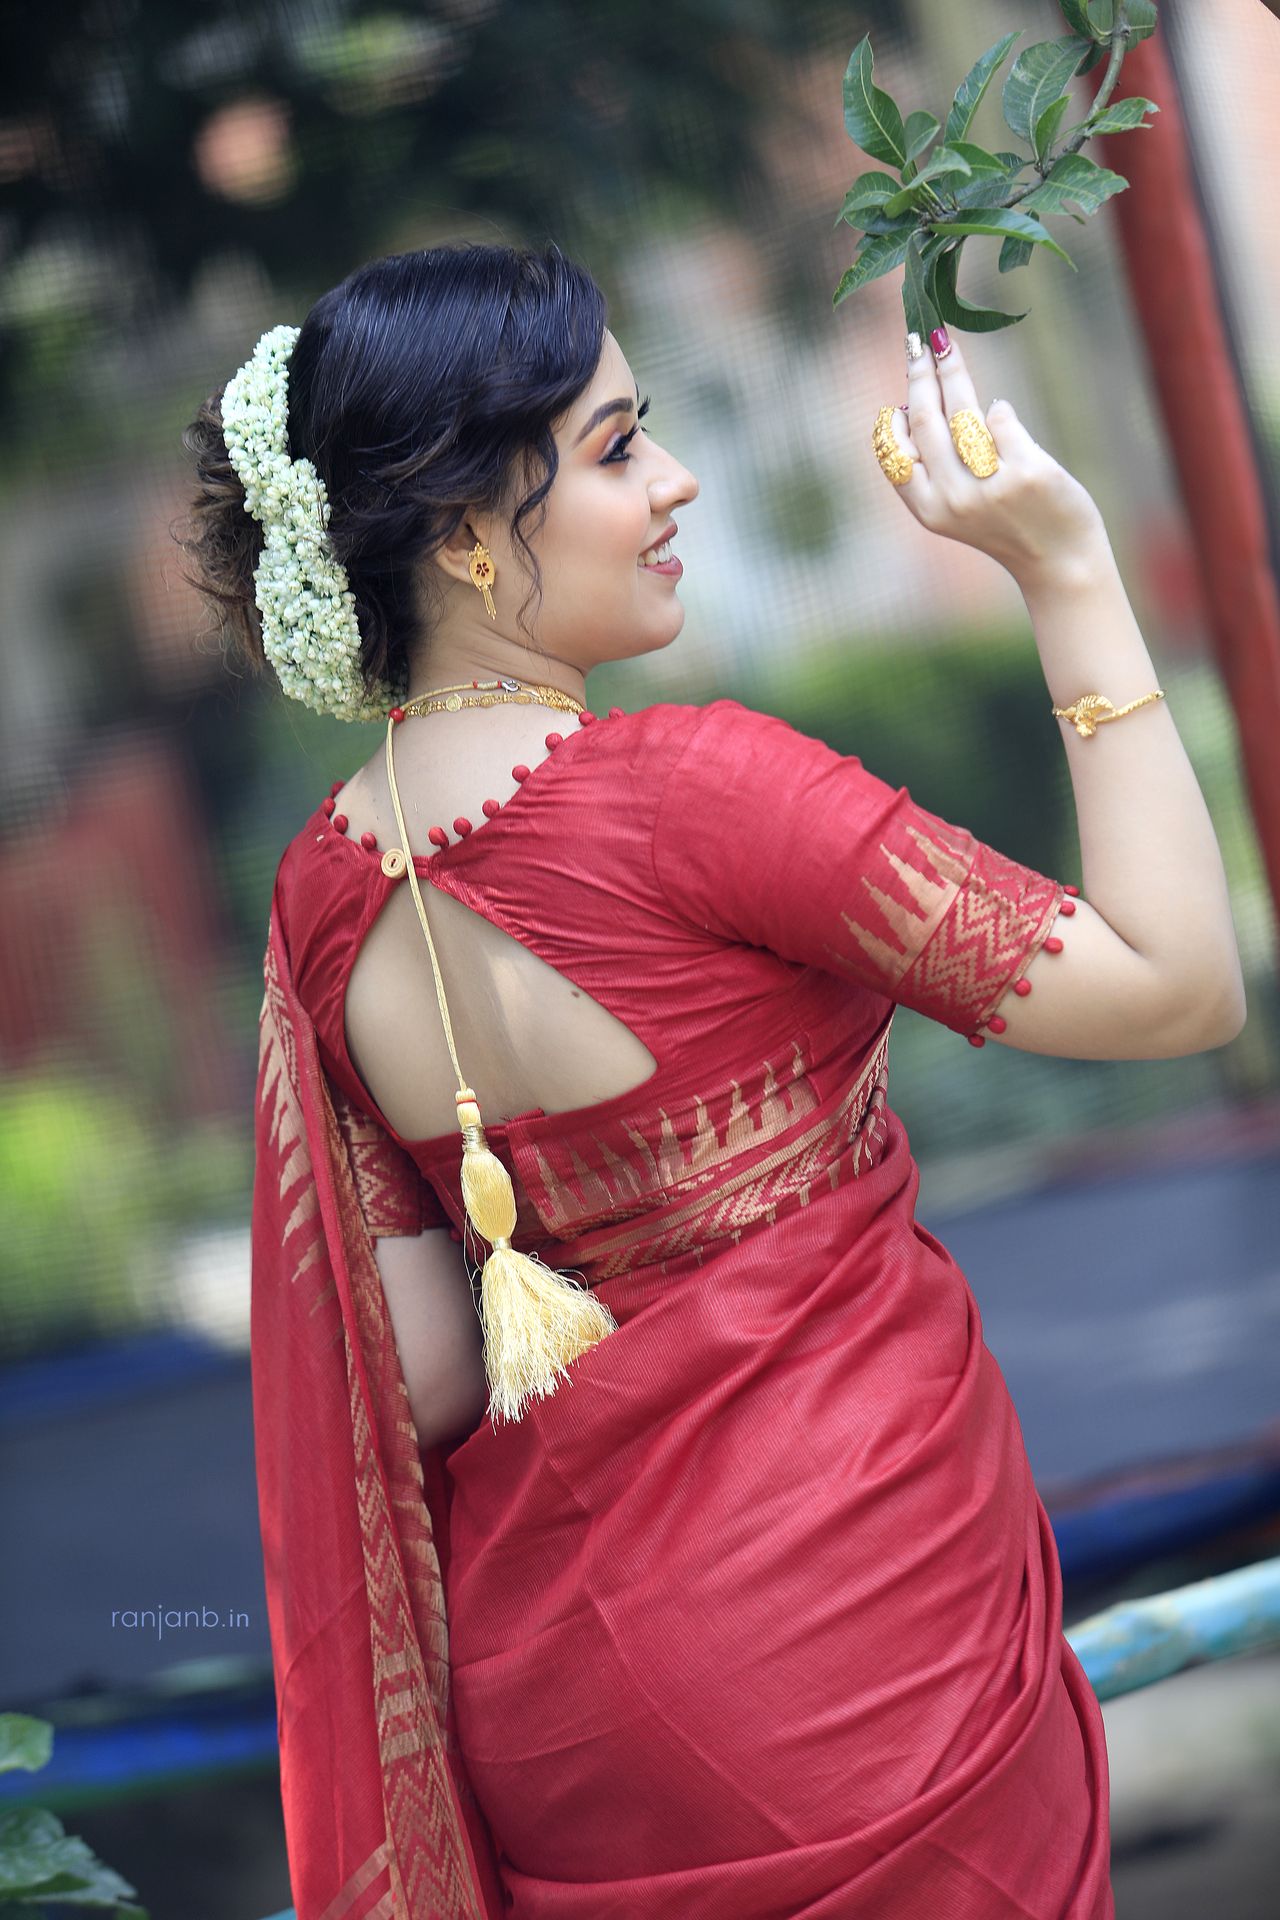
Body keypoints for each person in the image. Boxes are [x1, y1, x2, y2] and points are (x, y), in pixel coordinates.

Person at [180, 241, 1245, 1919]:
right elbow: (1178, 987)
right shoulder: (701, 791)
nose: (672, 483)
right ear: (461, 531)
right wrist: (1068, 568)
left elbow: (433, 1380)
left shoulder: (320, 905)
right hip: (855, 1650)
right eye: (612, 452)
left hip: (569, 1728)